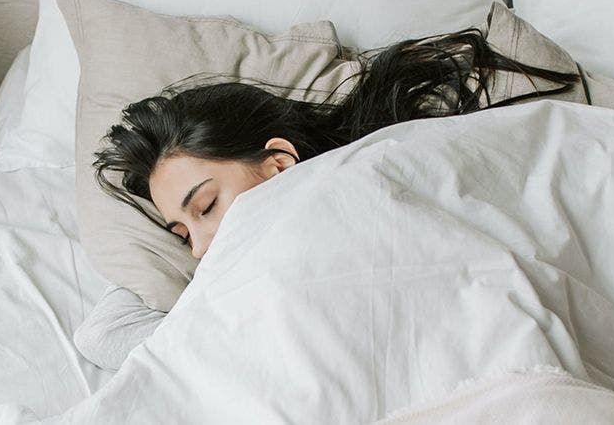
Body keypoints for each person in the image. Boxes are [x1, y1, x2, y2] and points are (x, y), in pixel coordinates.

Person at [74, 28, 581, 370]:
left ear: (279, 164)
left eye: (206, 207)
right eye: (182, 235)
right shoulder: (237, 291)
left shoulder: (376, 177)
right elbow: (104, 334)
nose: (200, 249)